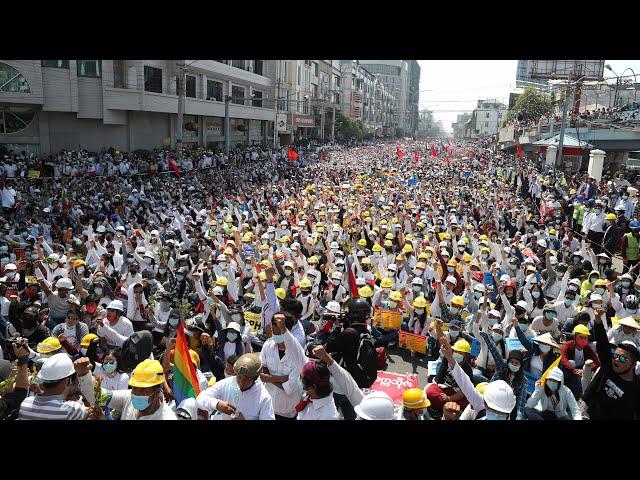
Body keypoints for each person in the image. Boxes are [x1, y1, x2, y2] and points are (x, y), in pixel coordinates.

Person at [582, 306, 640, 420]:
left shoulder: (636, 389)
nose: (617, 360)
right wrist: (598, 320)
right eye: (615, 356)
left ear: (633, 364)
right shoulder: (608, 366)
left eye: (622, 359)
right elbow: (602, 342)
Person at [195, 353, 275, 420]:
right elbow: (200, 399)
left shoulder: (264, 398)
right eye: (239, 377)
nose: (241, 382)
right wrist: (217, 404)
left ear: (255, 378)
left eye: (246, 378)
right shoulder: (226, 383)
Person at [96, 359, 177, 420]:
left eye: (144, 390)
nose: (137, 394)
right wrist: (85, 377)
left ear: (158, 390)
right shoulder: (128, 397)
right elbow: (100, 396)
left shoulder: (167, 418)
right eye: (134, 388)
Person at [18, 354, 93, 420]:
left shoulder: (26, 403)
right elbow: (95, 408)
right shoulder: (71, 409)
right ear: (66, 381)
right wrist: (84, 375)